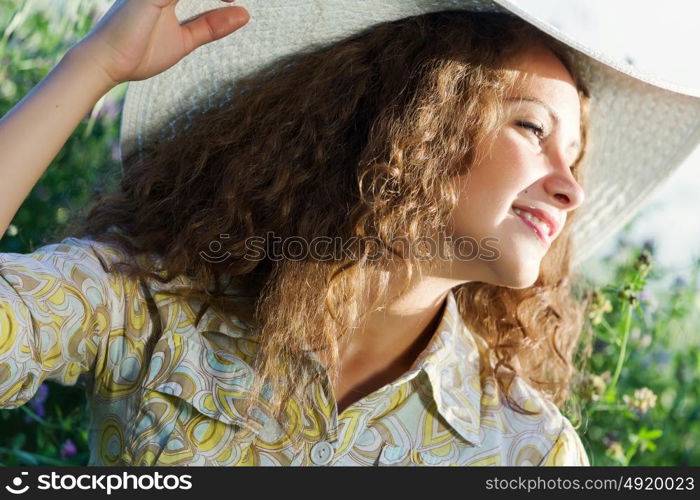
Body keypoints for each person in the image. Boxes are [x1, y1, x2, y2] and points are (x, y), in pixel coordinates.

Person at [1, 0, 699, 466]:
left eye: (574, 159)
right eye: (532, 129)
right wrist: (94, 67)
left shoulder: (528, 449)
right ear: (412, 122)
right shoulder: (150, 303)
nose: (569, 187)